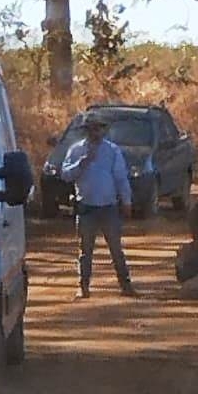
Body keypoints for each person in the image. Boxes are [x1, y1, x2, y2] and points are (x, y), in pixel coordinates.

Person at [61, 112, 138, 299]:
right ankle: (83, 286)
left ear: (103, 130)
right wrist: (82, 163)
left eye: (98, 128)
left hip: (108, 207)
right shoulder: (76, 150)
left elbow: (121, 178)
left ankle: (125, 285)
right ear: (86, 131)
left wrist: (126, 201)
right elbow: (65, 175)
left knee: (116, 249)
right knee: (85, 251)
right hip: (86, 207)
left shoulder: (112, 151)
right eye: (91, 128)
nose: (95, 131)